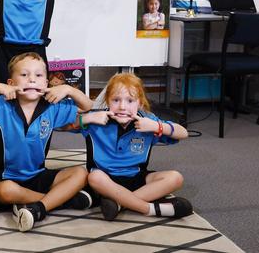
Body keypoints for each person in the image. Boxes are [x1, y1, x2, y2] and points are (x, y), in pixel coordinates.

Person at [0, 52, 94, 232]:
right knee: (4, 191)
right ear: (11, 84)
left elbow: (87, 106)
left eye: (38, 75)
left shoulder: (52, 107)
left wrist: (68, 89)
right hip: (7, 177)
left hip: (37, 174)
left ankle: (38, 206)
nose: (32, 80)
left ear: (46, 83)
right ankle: (57, 200)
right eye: (24, 75)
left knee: (80, 173)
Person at [77, 73, 193, 221]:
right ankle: (149, 209)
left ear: (140, 104)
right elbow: (63, 125)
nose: (122, 106)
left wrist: (157, 126)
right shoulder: (97, 119)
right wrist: (88, 117)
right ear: (107, 101)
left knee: (175, 178)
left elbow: (183, 133)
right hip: (105, 180)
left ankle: (120, 203)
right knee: (94, 177)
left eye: (130, 101)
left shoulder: (148, 121)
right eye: (116, 100)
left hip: (136, 178)